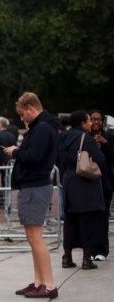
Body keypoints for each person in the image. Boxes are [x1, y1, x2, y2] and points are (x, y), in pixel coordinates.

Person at [3, 92, 59, 299]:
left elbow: (34, 157)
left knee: (36, 237)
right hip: (34, 185)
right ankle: (39, 281)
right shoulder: (43, 127)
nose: (22, 119)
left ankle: (49, 284)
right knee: (33, 236)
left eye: (22, 114)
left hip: (35, 185)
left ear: (30, 108)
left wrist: (16, 152)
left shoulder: (42, 128)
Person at [56, 110, 107, 270]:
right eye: (89, 120)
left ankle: (67, 256)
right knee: (88, 220)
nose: (91, 123)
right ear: (83, 123)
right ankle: (86, 258)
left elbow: (58, 158)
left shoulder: (63, 136)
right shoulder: (87, 138)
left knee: (70, 220)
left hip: (69, 181)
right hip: (86, 184)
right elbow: (101, 160)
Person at [88, 109, 114, 260]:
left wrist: (105, 144)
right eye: (93, 119)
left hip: (105, 182)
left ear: (102, 122)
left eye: (99, 119)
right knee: (91, 217)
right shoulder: (86, 137)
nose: (96, 122)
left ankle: (102, 250)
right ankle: (90, 249)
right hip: (89, 181)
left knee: (103, 216)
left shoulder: (109, 136)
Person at [0, 118, 15, 208]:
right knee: (5, 181)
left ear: (1, 125)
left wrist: (1, 160)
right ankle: (4, 199)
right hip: (9, 161)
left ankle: (2, 197)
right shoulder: (11, 135)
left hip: (0, 161)